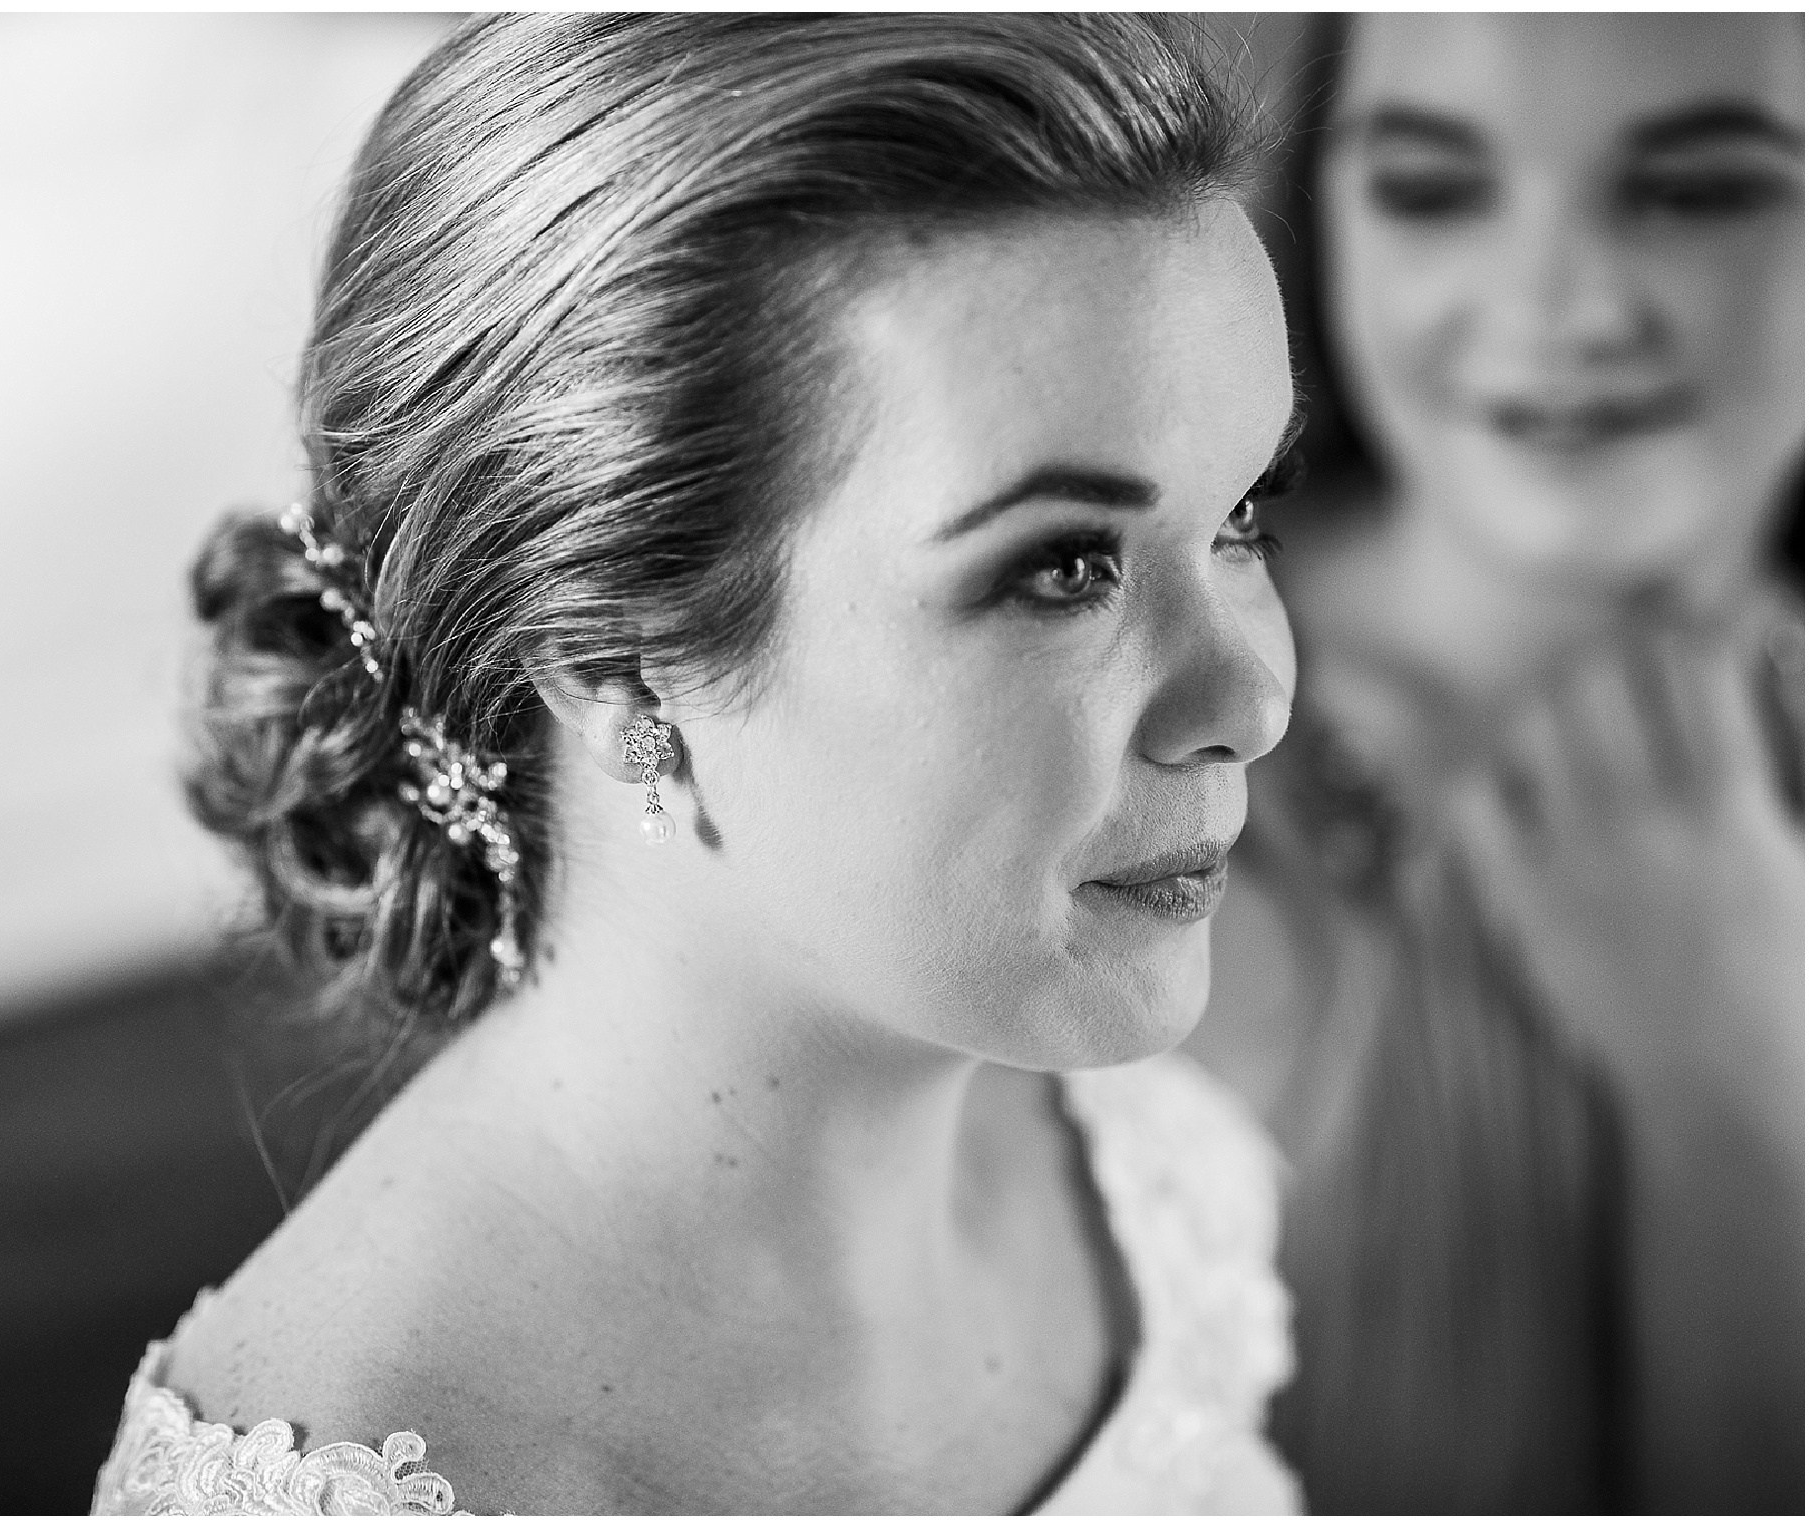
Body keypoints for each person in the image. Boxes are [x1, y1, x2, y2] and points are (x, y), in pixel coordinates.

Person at [93, 14, 1308, 1515]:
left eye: (1242, 515)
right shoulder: (368, 1462)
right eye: (1064, 568)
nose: (1251, 696)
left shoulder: (1143, 1175)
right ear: (614, 662)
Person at [1186, 12, 1803, 1513]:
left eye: (1696, 188)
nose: (1558, 306)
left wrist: (1733, 1069)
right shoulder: (1135, 729)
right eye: (1431, 187)